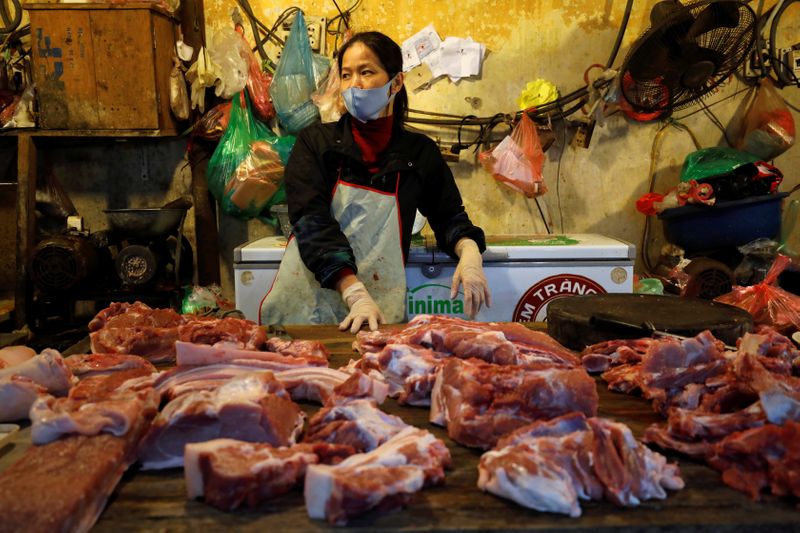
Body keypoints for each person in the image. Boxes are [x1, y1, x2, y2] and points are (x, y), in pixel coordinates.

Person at [260, 31, 490, 333]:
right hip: (306, 311)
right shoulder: (315, 144)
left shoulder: (418, 153)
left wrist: (470, 253)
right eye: (346, 75)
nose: (354, 84)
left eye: (366, 72)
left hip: (378, 315)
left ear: (395, 82)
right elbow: (311, 221)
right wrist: (354, 292)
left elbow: (448, 217)